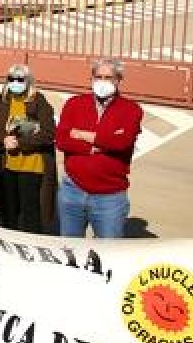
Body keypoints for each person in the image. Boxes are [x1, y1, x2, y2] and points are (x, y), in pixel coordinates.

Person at [54, 58, 143, 238]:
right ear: (92, 79)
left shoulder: (131, 110)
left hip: (109, 197)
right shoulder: (74, 104)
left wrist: (82, 135)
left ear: (118, 80)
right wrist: (95, 146)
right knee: (70, 250)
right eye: (98, 76)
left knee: (108, 254)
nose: (102, 81)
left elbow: (122, 142)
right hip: (72, 191)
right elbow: (61, 139)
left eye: (108, 77)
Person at [0, 64, 58, 234]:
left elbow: (48, 133)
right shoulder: (3, 99)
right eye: (11, 79)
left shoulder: (39, 101)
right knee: (9, 210)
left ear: (28, 81)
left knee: (30, 213)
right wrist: (3, 138)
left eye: (20, 79)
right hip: (7, 165)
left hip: (31, 167)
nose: (15, 82)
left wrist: (20, 142)